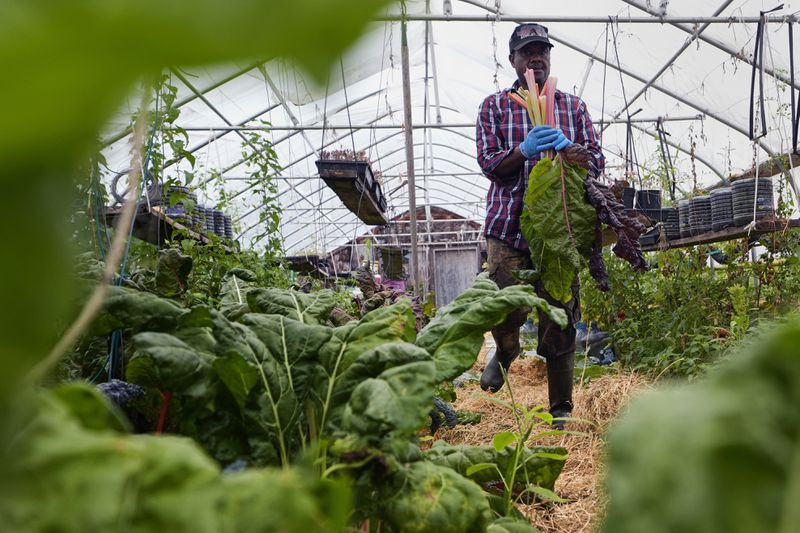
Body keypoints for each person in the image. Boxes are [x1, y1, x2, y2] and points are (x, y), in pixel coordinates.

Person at [475, 23, 605, 424]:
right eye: (527, 51)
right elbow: (489, 163)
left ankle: (561, 406)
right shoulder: (495, 106)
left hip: (558, 229)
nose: (536, 57)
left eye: (542, 50)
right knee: (503, 303)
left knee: (560, 312)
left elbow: (597, 162)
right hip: (508, 227)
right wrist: (523, 149)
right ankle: (507, 350)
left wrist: (572, 151)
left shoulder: (572, 107)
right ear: (513, 60)